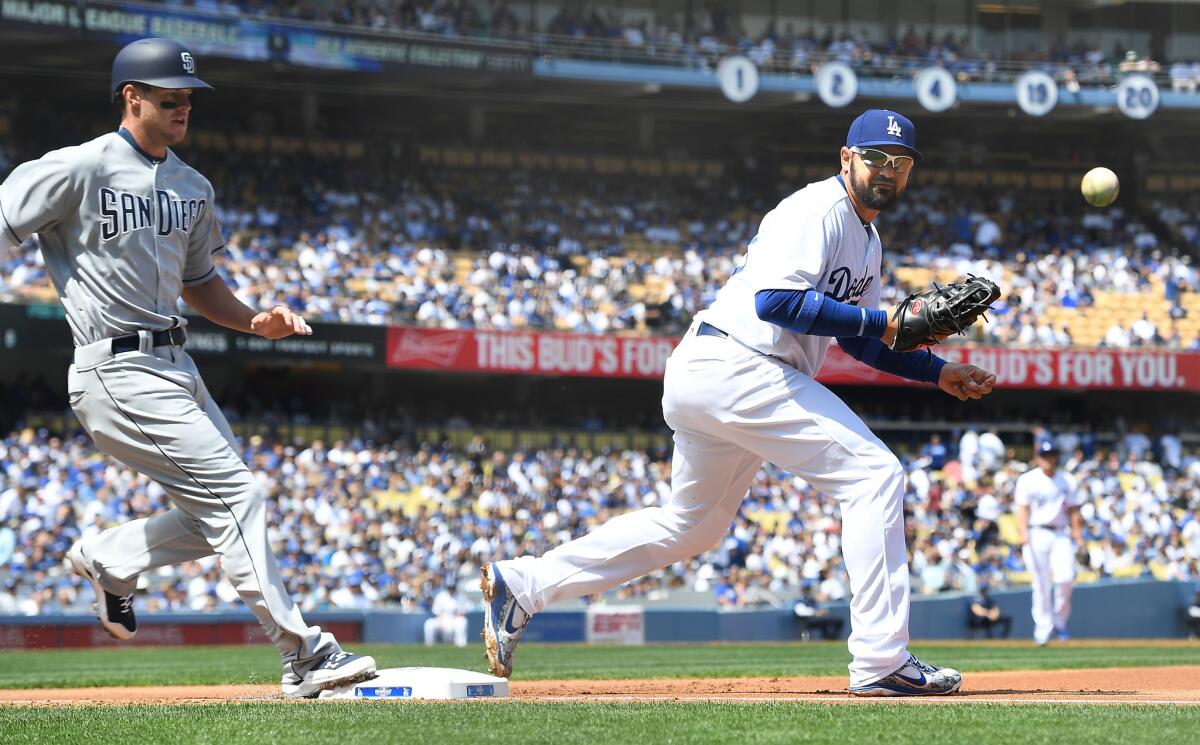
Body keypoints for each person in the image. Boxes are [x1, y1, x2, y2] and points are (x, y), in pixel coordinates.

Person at [481, 109, 997, 696]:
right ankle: (881, 660)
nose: (888, 169)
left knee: (691, 527)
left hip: (721, 375)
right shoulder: (816, 210)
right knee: (875, 476)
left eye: (900, 162)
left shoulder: (868, 238)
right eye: (876, 156)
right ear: (846, 158)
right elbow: (775, 302)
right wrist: (883, 321)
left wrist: (939, 372)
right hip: (739, 363)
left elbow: (859, 339)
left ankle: (522, 584)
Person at [0, 38, 375, 698]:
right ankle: (302, 654)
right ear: (131, 97)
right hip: (114, 366)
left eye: (189, 100)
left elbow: (200, 282)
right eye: (169, 98)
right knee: (239, 497)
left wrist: (255, 320)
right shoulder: (80, 167)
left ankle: (114, 557)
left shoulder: (192, 186)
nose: (182, 109)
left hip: (178, 363)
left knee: (217, 513)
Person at [1014, 440, 1084, 646]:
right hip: (1036, 532)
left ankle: (1059, 623)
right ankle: (1043, 630)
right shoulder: (1027, 479)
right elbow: (1022, 509)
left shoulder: (1067, 479)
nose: (1048, 458)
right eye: (1044, 455)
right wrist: (1023, 534)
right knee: (1041, 584)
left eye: (1051, 454)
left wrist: (1078, 534)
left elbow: (1073, 510)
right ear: (1038, 457)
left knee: (1065, 578)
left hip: (1060, 533)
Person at [423, 581, 469, 647]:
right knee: (429, 623)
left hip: (455, 619)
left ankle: (461, 644)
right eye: (449, 588)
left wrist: (453, 619)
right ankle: (429, 645)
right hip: (442, 619)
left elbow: (462, 612)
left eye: (452, 588)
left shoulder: (460, 597)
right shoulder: (441, 596)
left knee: (462, 621)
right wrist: (442, 621)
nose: (451, 590)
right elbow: (437, 612)